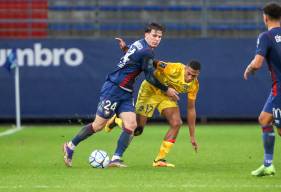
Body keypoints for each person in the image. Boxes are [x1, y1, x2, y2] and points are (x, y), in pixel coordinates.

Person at [63, 22, 179, 167]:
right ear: (146, 34)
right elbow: (149, 77)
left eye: (160, 37)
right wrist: (166, 89)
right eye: (154, 35)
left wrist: (125, 48)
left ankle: (116, 158)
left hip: (126, 92)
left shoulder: (140, 44)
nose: (157, 39)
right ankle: (70, 145)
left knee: (131, 125)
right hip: (113, 89)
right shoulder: (147, 52)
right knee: (98, 125)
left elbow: (132, 55)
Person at [106, 38, 200, 167]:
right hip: (150, 90)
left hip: (166, 96)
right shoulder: (174, 68)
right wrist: (127, 50)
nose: (190, 78)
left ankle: (159, 160)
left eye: (194, 76)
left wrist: (192, 136)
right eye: (189, 74)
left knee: (177, 123)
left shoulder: (194, 85)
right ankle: (117, 120)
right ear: (185, 69)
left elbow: (191, 109)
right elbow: (150, 62)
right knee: (137, 130)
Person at [244, 2, 281, 176]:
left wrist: (249, 68)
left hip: (280, 88)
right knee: (265, 119)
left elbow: (258, 63)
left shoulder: (265, 36)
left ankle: (268, 165)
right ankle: (268, 165)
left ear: (265, 17)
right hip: (278, 88)